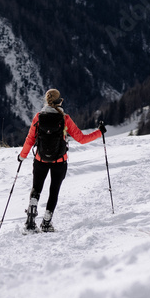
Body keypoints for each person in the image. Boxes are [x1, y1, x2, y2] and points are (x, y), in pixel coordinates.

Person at [18, 88, 105, 232]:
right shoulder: (65, 119)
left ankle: (30, 220)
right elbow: (81, 139)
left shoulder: (38, 117)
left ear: (46, 101)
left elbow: (30, 139)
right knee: (54, 191)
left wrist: (22, 156)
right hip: (59, 161)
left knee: (37, 188)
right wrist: (99, 132)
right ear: (59, 102)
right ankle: (46, 223)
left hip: (40, 160)